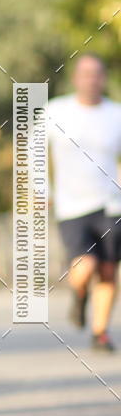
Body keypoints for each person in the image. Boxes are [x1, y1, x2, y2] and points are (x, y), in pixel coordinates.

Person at [48, 53, 121, 353]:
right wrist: (41, 189)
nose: (91, 79)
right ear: (76, 78)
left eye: (96, 74)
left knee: (107, 269)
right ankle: (79, 296)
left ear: (102, 79)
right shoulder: (56, 111)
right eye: (85, 73)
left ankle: (100, 332)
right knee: (84, 266)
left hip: (110, 203)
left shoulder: (116, 114)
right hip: (71, 204)